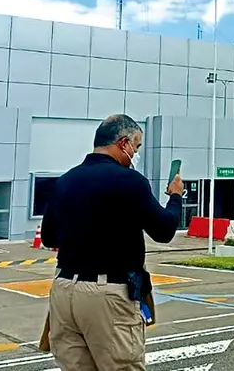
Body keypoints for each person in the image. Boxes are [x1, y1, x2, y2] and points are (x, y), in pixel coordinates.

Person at [42, 114, 184, 371]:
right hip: (107, 294)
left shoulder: (65, 181)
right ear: (124, 143)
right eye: (137, 147)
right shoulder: (130, 181)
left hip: (64, 292)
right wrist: (176, 197)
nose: (136, 153)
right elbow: (164, 230)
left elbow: (49, 238)